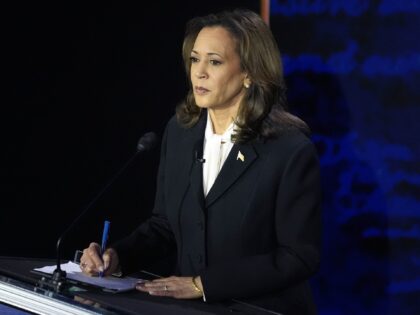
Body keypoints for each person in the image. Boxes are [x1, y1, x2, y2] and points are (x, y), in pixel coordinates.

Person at [80, 9, 321, 314]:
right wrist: (117, 258)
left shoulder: (289, 150)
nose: (199, 72)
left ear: (249, 72)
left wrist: (202, 284)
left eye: (215, 61)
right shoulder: (181, 132)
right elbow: (165, 226)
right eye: (195, 59)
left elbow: (298, 256)